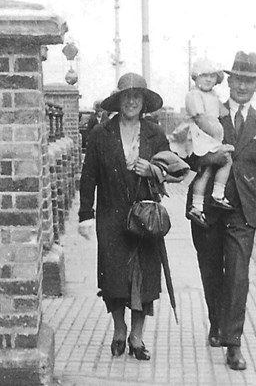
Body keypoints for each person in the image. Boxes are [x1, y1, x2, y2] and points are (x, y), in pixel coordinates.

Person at [186, 51, 256, 371]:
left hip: (244, 211)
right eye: (237, 79)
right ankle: (217, 322)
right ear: (230, 82)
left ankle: (233, 342)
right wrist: (205, 161)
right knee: (212, 271)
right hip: (209, 207)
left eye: (249, 82)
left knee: (238, 276)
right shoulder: (210, 111)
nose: (242, 86)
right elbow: (188, 155)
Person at [78, 72, 170, 361]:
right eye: (126, 96)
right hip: (111, 216)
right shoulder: (100, 134)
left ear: (144, 102)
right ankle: (119, 329)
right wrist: (85, 214)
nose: (131, 101)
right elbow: (88, 176)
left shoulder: (156, 134)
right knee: (114, 278)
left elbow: (172, 171)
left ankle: (137, 337)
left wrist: (152, 171)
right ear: (118, 101)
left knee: (144, 279)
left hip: (145, 217)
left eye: (137, 96)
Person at [170, 58, 235, 227]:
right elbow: (200, 117)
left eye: (212, 76)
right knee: (225, 160)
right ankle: (217, 194)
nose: (208, 80)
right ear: (196, 77)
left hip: (208, 134)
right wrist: (217, 135)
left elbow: (223, 112)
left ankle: (197, 206)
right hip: (201, 134)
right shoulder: (194, 95)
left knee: (206, 170)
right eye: (204, 76)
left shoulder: (213, 95)